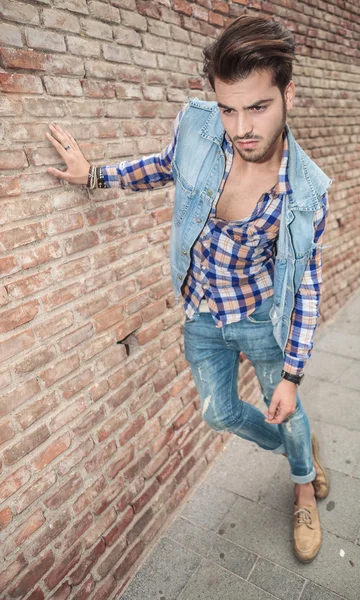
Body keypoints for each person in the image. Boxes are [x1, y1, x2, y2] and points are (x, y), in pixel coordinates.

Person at [46, 15, 331, 563]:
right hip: (202, 315)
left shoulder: (307, 192)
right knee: (220, 414)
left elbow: (308, 287)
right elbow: (164, 166)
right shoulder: (200, 128)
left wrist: (293, 374)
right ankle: (298, 448)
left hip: (260, 318)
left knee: (287, 406)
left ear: (288, 94)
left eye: (258, 107)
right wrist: (95, 175)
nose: (242, 126)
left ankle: (301, 484)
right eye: (229, 108)